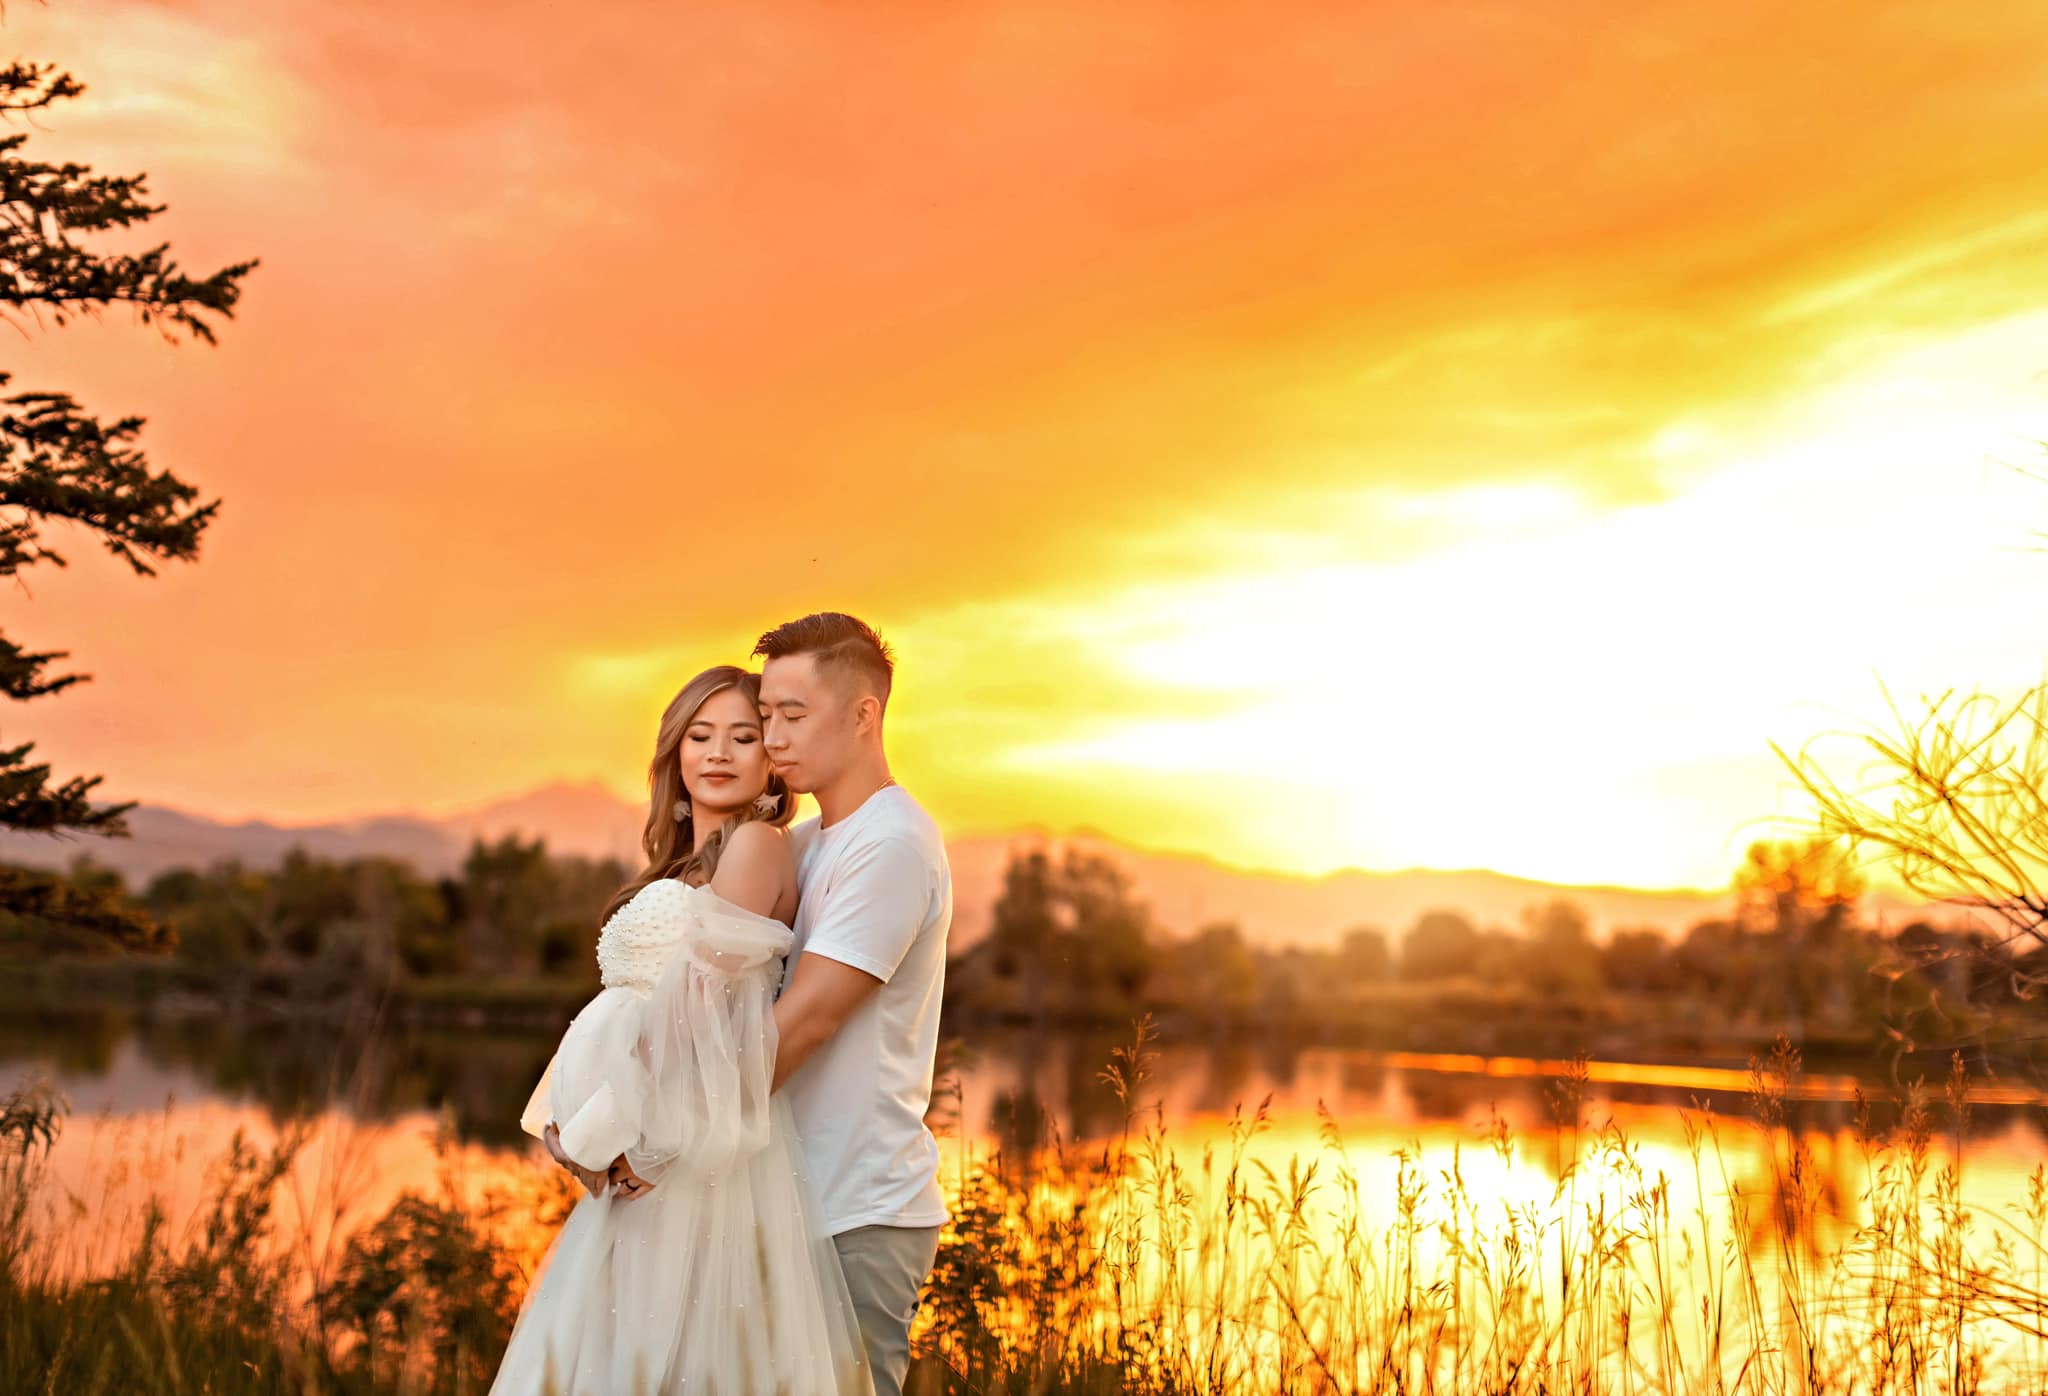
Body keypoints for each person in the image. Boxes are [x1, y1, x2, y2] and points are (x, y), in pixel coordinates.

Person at [487, 664, 871, 1396]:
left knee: (680, 1355)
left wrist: (618, 1130)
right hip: (636, 1133)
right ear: (676, 752)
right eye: (700, 735)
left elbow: (699, 1004)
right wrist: (577, 1124)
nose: (718, 752)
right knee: (615, 1349)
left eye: (743, 736)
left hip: (685, 1141)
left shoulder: (758, 846)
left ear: (772, 761)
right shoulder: (678, 866)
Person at [753, 612, 954, 1396]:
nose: (772, 737)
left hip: (858, 1212)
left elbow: (806, 1022)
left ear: (863, 715)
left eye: (792, 715)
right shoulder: (804, 845)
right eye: (766, 715)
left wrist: (663, 1133)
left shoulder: (892, 844)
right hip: (791, 1199)